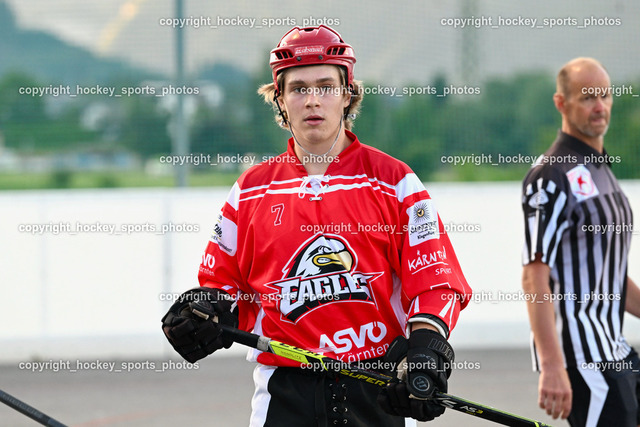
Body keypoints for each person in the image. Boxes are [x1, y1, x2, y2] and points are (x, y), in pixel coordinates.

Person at [162, 25, 472, 426]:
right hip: (284, 393)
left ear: (347, 95)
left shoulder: (395, 182)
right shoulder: (250, 191)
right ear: (280, 100)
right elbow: (224, 288)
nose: (312, 100)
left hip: (378, 389)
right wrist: (204, 312)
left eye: (326, 86)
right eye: (298, 89)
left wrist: (427, 347)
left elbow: (435, 281)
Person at [521, 57, 640, 426]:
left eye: (605, 96)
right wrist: (551, 366)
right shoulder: (550, 175)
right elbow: (534, 277)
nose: (599, 106)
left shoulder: (600, 167)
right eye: (588, 98)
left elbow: (608, 273)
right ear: (562, 103)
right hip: (583, 359)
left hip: (616, 350)